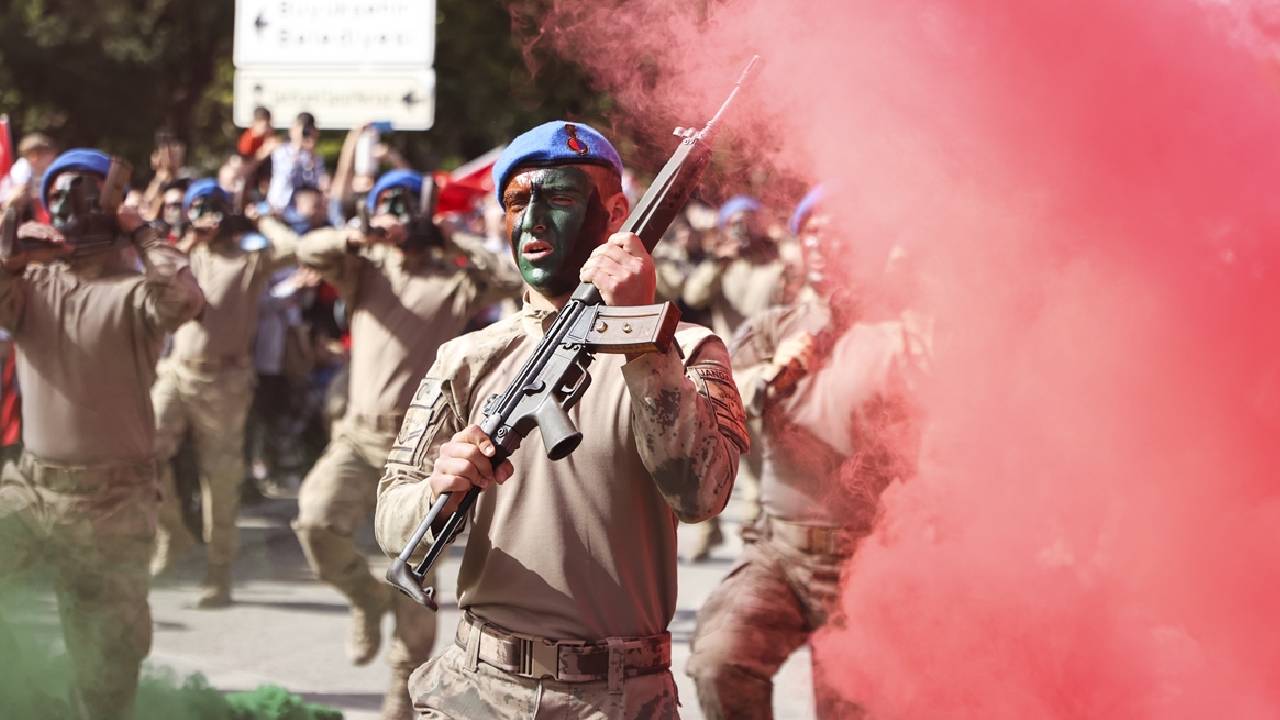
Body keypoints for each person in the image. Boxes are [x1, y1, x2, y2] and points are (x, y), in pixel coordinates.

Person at [374, 121, 750, 719]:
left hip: (620, 698)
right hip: (477, 688)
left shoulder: (686, 348)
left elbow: (702, 494)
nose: (533, 220)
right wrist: (438, 493)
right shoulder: (468, 359)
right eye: (516, 202)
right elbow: (393, 521)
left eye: (560, 198)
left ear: (617, 215)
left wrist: (643, 343)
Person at [273, 168, 519, 720]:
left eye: (405, 207)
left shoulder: (454, 280)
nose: (395, 217)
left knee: (417, 570)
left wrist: (451, 238)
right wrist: (358, 235)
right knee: (314, 522)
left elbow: (508, 278)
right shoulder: (364, 271)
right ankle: (366, 598)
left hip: (424, 447)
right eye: (386, 205)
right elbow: (306, 249)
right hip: (358, 436)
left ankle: (400, 695)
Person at [686, 186, 929, 719]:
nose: (822, 241)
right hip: (782, 552)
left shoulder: (900, 335)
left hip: (868, 560)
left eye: (838, 229)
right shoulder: (772, 327)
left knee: (847, 703)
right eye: (811, 230)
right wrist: (768, 377)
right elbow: (709, 401)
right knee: (719, 660)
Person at [0, 148, 204, 719]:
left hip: (110, 504)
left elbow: (184, 298)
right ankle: (28, 696)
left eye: (81, 191)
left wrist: (141, 229)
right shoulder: (30, 285)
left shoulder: (136, 294)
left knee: (106, 671)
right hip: (31, 489)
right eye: (57, 193)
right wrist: (11, 233)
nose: (67, 204)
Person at [149, 179, 298, 608]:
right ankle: (172, 534)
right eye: (197, 208)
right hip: (177, 372)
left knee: (219, 481)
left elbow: (294, 249)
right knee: (142, 452)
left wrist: (260, 218)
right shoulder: (185, 255)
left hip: (225, 384)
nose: (205, 217)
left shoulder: (250, 260)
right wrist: (186, 239)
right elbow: (150, 265)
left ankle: (219, 573)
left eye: (212, 208)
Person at [682, 194, 793, 561]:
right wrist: (718, 262)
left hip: (762, 375)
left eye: (748, 221)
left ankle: (752, 540)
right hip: (719, 376)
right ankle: (709, 530)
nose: (742, 230)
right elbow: (693, 294)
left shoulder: (776, 268)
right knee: (706, 459)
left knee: (756, 464)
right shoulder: (722, 266)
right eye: (734, 223)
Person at [266, 112, 327, 212]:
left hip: (302, 207)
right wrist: (297, 146)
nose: (304, 134)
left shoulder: (314, 156)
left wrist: (312, 156)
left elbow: (316, 181)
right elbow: (286, 174)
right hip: (280, 204)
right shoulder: (281, 151)